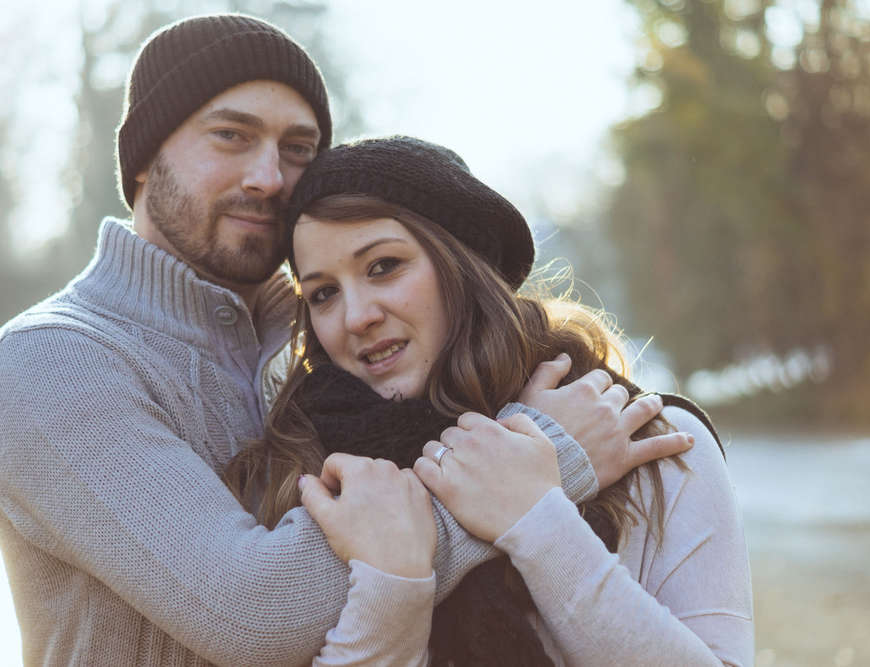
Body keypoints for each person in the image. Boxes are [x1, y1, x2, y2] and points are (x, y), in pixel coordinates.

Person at [0, 14, 693, 666]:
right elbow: (258, 613)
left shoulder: (320, 342)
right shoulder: (54, 362)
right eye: (231, 136)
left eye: (297, 148)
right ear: (141, 160)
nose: (269, 177)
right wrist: (533, 463)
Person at [228, 136, 754, 665]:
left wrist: (538, 522)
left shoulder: (648, 440)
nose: (356, 316)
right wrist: (395, 583)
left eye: (384, 266)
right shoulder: (304, 478)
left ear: (462, 262)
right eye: (323, 293)